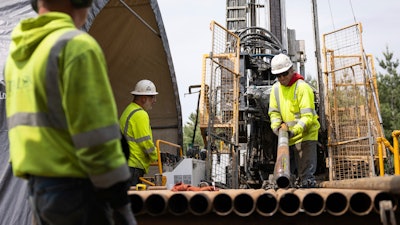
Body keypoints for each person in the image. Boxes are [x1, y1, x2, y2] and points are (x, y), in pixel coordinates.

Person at [4, 0, 136, 224]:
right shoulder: (76, 47)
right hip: (77, 193)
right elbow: (97, 139)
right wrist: (120, 202)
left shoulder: (18, 55)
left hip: (38, 193)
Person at [268, 53, 320, 188]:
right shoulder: (275, 89)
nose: (282, 78)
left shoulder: (302, 87)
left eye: (284, 74)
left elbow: (308, 117)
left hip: (305, 136)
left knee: (306, 178)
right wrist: (276, 127)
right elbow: (274, 112)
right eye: (278, 75)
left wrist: (294, 131)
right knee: (283, 178)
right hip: (287, 138)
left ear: (292, 70)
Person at [120, 79, 159, 187]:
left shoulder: (128, 110)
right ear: (143, 98)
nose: (154, 101)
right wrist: (156, 156)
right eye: (152, 97)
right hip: (133, 166)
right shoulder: (140, 114)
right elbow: (145, 142)